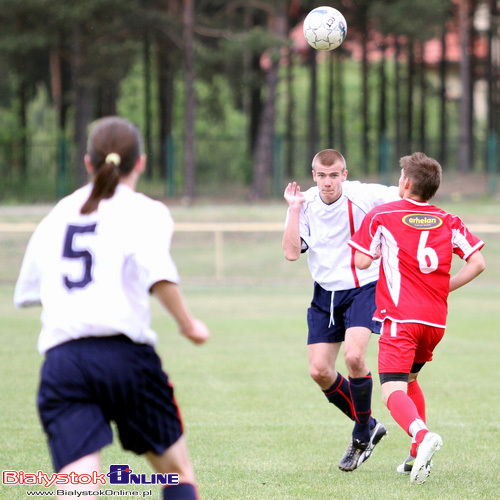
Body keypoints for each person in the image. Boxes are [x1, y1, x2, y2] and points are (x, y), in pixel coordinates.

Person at [14, 116, 209, 500]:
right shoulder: (145, 210)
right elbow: (158, 273)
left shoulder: (58, 214)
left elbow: (30, 290)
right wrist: (187, 324)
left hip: (63, 361)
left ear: (88, 163)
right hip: (125, 358)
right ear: (141, 162)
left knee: (78, 485)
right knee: (176, 474)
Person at [348, 152, 486, 484]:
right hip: (435, 322)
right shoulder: (448, 219)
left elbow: (362, 262)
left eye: (399, 176)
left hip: (400, 318)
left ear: (406, 183)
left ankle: (422, 436)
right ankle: (413, 457)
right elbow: (478, 263)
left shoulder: (383, 215)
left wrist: (376, 252)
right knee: (410, 381)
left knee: (391, 390)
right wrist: (445, 288)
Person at [282, 149, 400, 471]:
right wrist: (293, 210)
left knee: (354, 357)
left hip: (364, 287)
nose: (328, 182)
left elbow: (404, 193)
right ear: (314, 175)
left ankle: (361, 433)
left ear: (344, 175)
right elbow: (292, 253)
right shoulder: (303, 203)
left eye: (334, 175)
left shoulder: (364, 194)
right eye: (321, 175)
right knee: (319, 370)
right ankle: (368, 425)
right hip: (325, 294)